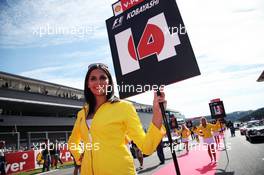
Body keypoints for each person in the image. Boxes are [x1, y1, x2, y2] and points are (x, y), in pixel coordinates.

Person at [68, 63, 166, 175]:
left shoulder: (124, 107)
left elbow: (146, 146)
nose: (98, 82)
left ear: (109, 82)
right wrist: (79, 156)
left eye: (103, 78)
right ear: (88, 84)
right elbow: (72, 141)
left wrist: (157, 114)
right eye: (93, 78)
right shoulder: (82, 113)